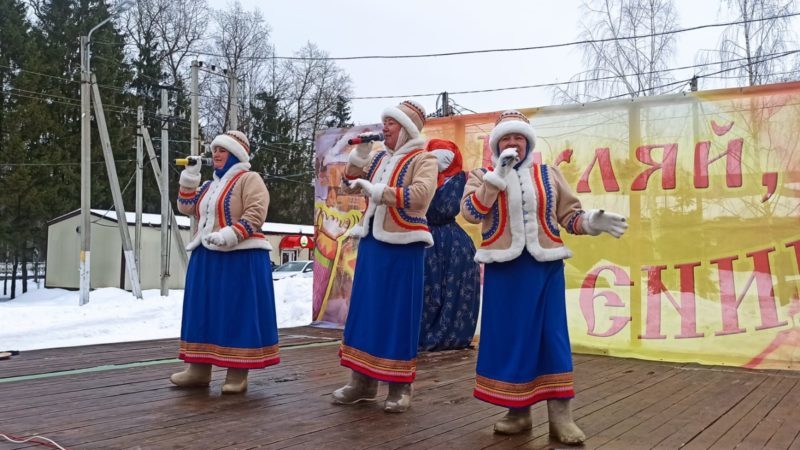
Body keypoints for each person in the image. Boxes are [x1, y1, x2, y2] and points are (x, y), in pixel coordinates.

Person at [460, 111, 628, 443]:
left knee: (551, 337)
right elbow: (471, 212)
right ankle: (517, 412)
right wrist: (497, 177)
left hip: (544, 267)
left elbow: (569, 215)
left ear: (528, 143)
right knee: (510, 339)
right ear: (496, 145)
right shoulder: (481, 175)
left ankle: (561, 417)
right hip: (504, 271)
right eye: (506, 139)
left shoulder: (548, 174)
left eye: (518, 138)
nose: (512, 144)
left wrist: (592, 221)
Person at [332, 100, 437, 413]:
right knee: (366, 312)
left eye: (391, 123)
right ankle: (362, 382)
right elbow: (349, 185)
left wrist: (377, 192)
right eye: (385, 122)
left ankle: (400, 386)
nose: (385, 128)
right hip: (373, 243)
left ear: (406, 129)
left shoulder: (424, 158)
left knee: (397, 315)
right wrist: (360, 157)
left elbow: (419, 196)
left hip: (404, 245)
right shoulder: (379, 159)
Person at [171, 130, 279, 394]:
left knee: (235, 313)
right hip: (207, 256)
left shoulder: (249, 179)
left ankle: (237, 371)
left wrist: (231, 234)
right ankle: (198, 368)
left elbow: (256, 212)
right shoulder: (209, 185)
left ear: (236, 154)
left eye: (222, 150)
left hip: (239, 257)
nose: (216, 154)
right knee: (203, 312)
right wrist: (191, 177)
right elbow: (185, 207)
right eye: (214, 150)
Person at [418, 139, 480, 351]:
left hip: (453, 242)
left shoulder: (465, 178)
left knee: (456, 287)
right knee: (426, 288)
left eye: (444, 155)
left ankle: (454, 334)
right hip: (424, 237)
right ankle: (421, 333)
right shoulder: (420, 177)